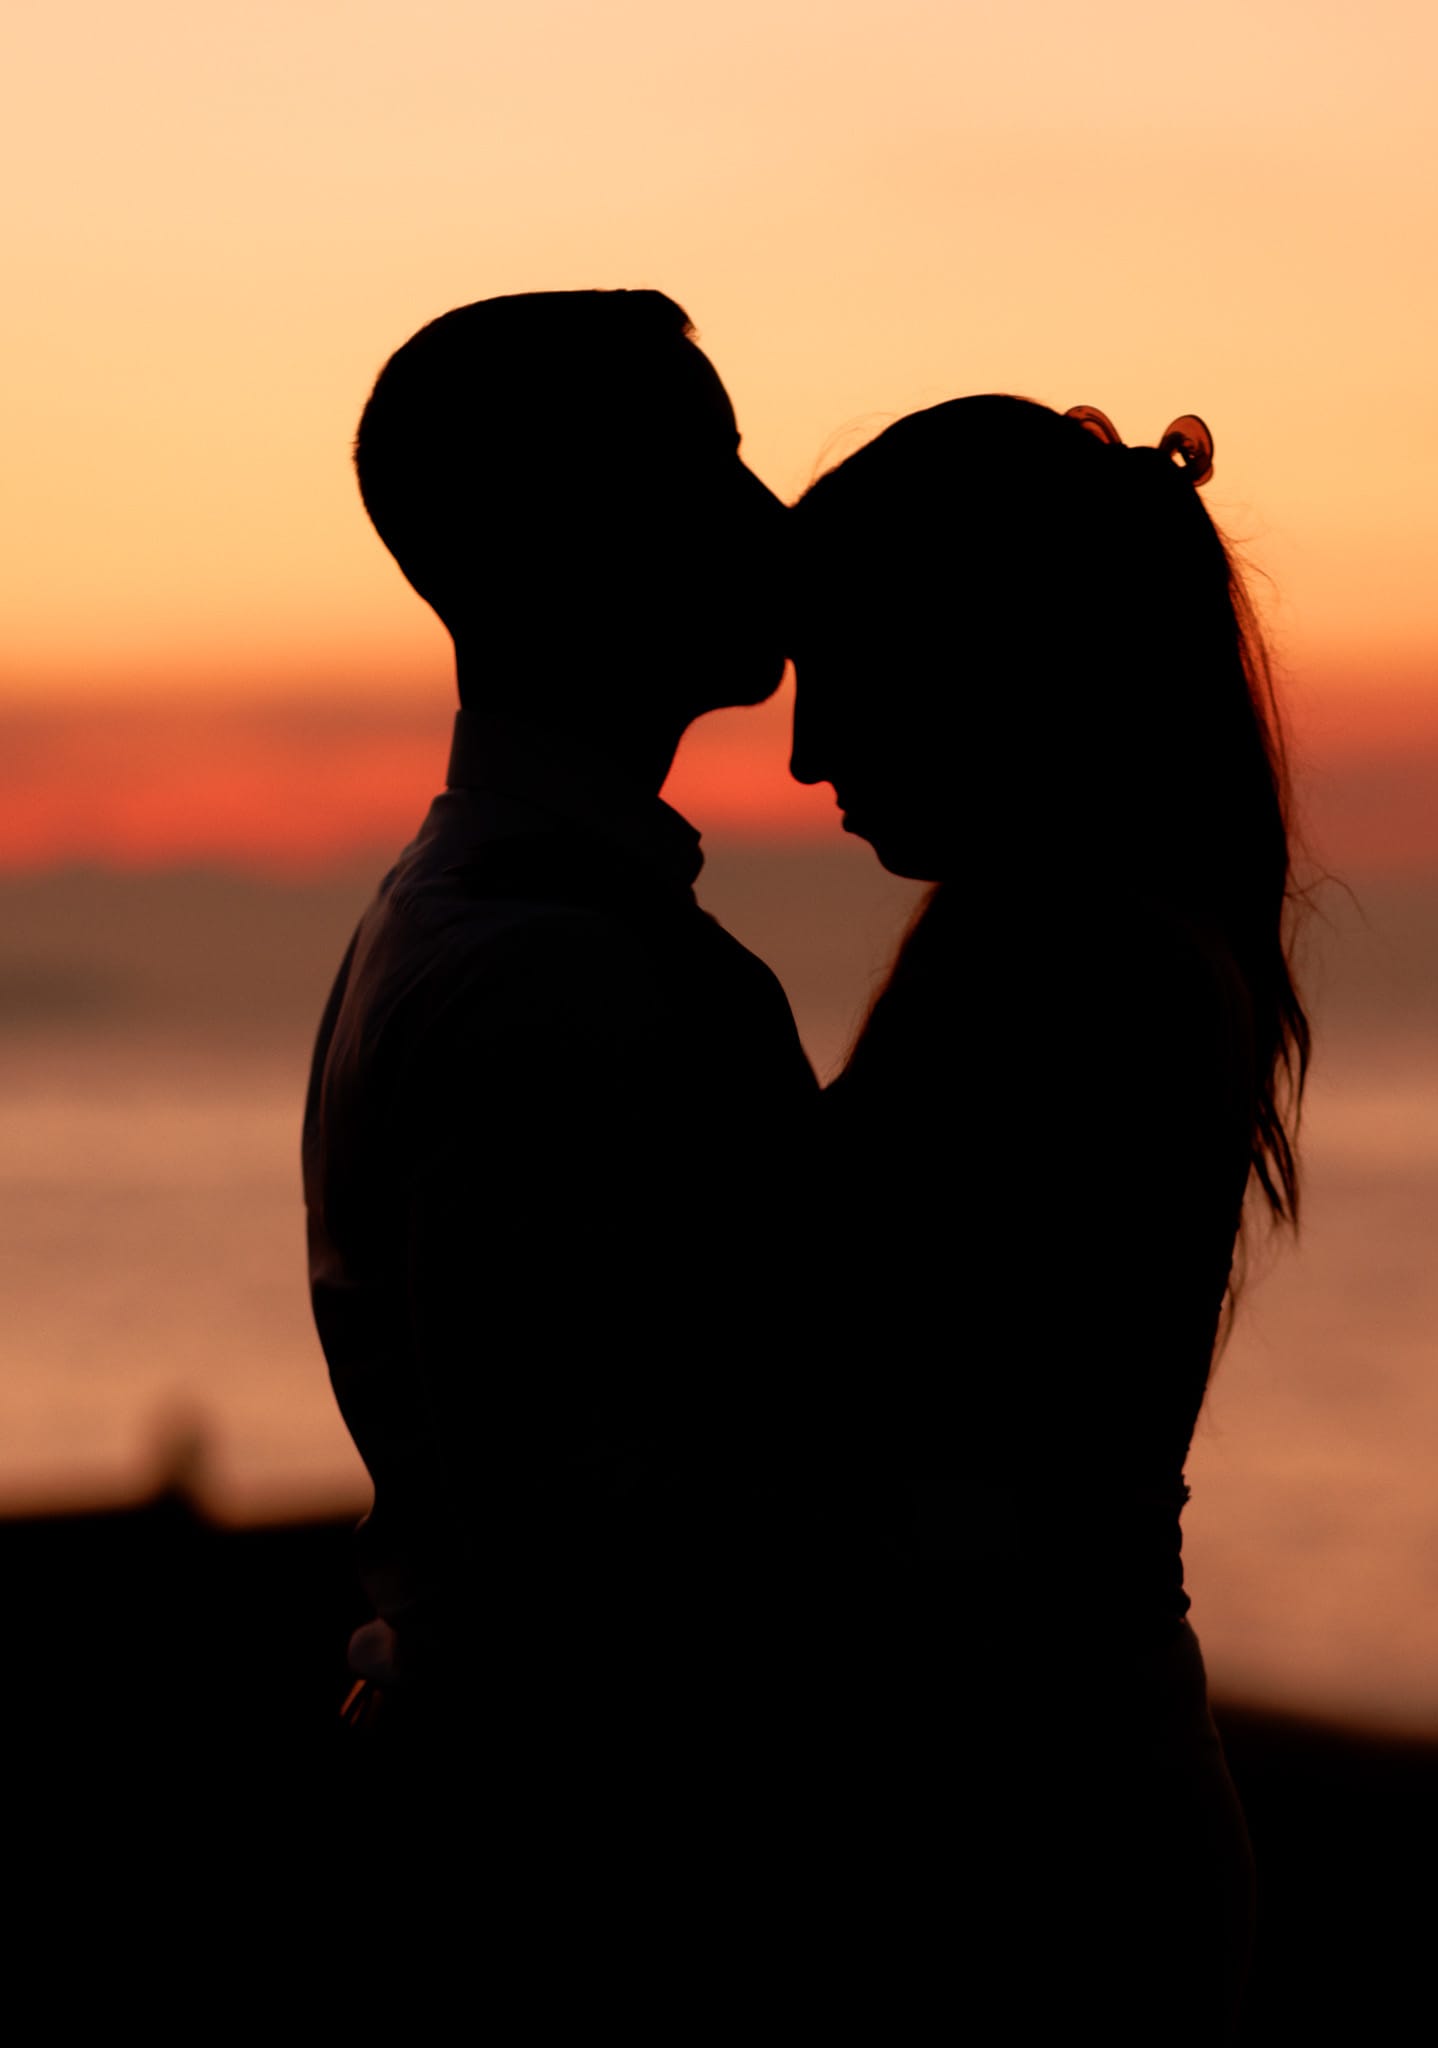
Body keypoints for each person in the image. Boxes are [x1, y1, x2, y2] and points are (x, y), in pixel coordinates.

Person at [788, 394, 1310, 2036]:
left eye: (840, 667)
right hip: (1056, 1797)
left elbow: (913, 1452)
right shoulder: (1076, 936)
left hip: (1025, 1845)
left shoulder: (1073, 962)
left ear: (985, 656)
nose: (806, 751)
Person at [302, 291, 823, 1792]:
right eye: (709, 466)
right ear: (570, 534)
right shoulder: (556, 967)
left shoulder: (471, 911)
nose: (767, 516)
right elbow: (598, 1551)